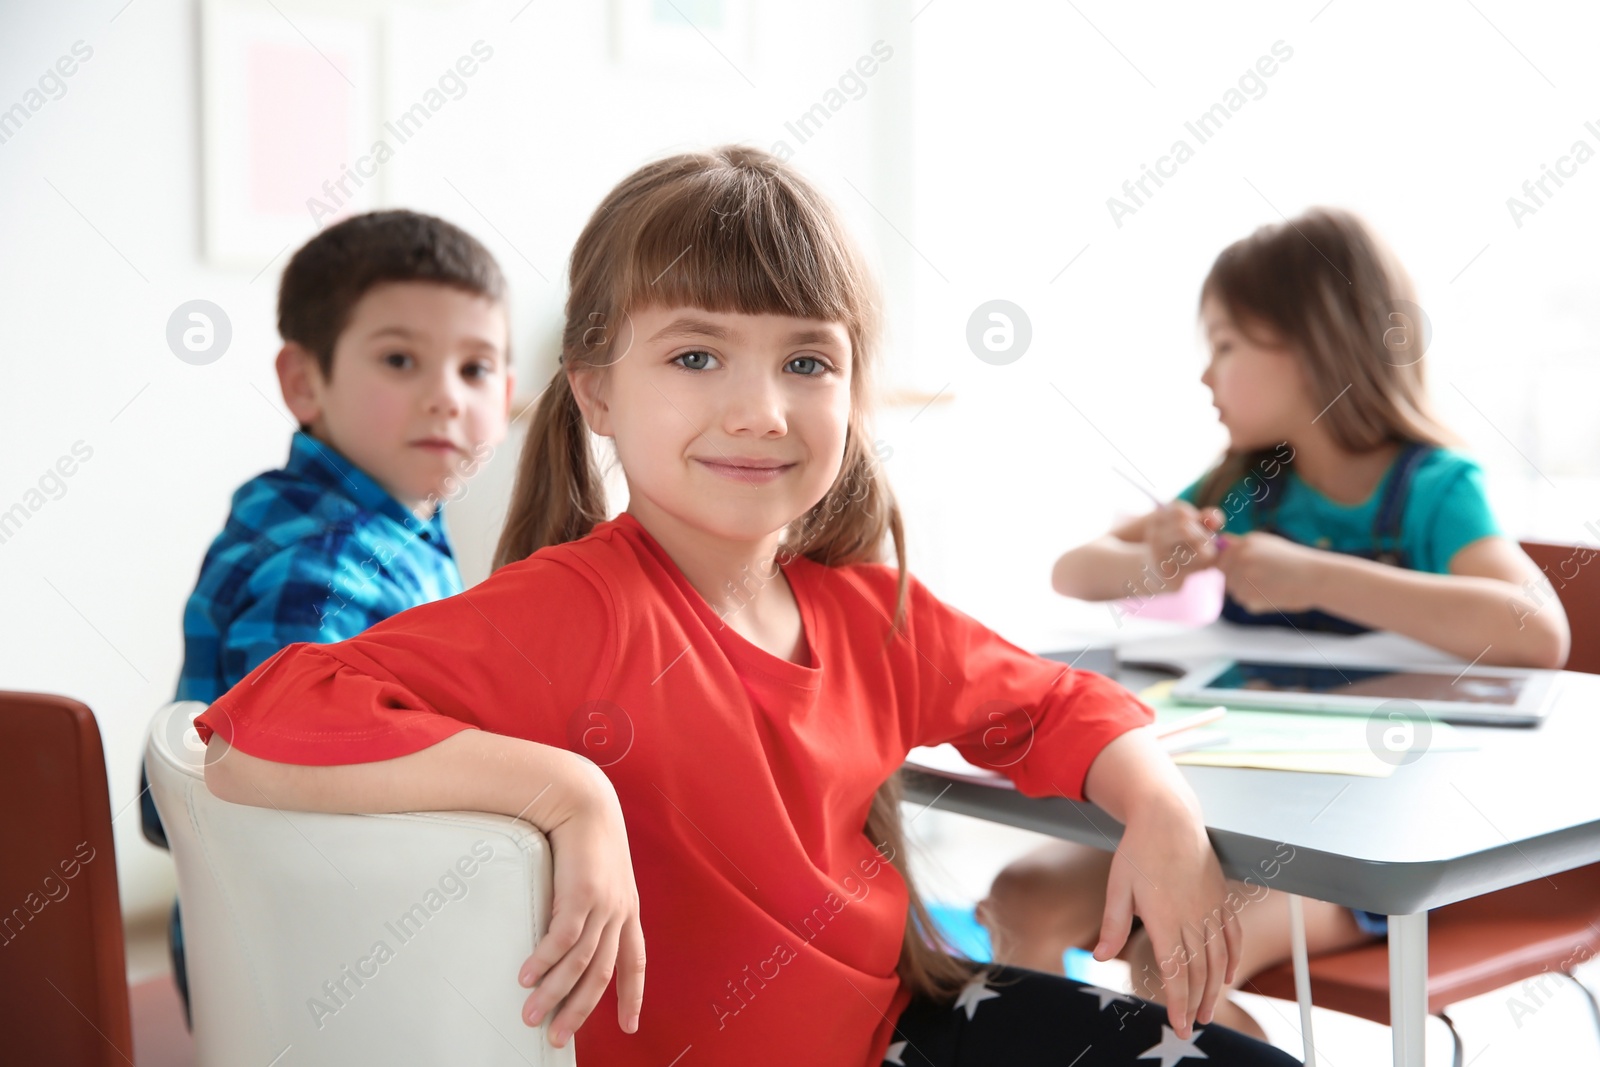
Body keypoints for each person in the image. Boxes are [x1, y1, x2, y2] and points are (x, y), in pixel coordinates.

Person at [193, 146, 1298, 1066]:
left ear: (854, 395)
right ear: (597, 393)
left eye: (806, 361)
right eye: (695, 353)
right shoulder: (575, 607)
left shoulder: (871, 611)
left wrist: (1157, 801)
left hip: (893, 1031)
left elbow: (1060, 703)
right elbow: (255, 720)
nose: (760, 410)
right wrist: (565, 787)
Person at [980, 207, 1569, 1039]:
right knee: (1020, 898)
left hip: (1357, 843)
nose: (1205, 376)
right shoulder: (1248, 483)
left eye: (1225, 345)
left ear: (1314, 347)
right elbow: (1074, 571)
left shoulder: (1433, 489)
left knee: (1174, 962)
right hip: (1203, 811)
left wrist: (1316, 576)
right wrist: (1158, 556)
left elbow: (1537, 628)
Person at [145, 208, 515, 1022]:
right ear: (304, 381)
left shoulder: (383, 520)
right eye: (400, 359)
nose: (445, 398)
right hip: (304, 962)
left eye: (477, 369)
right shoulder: (327, 569)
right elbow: (281, 784)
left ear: (511, 392)